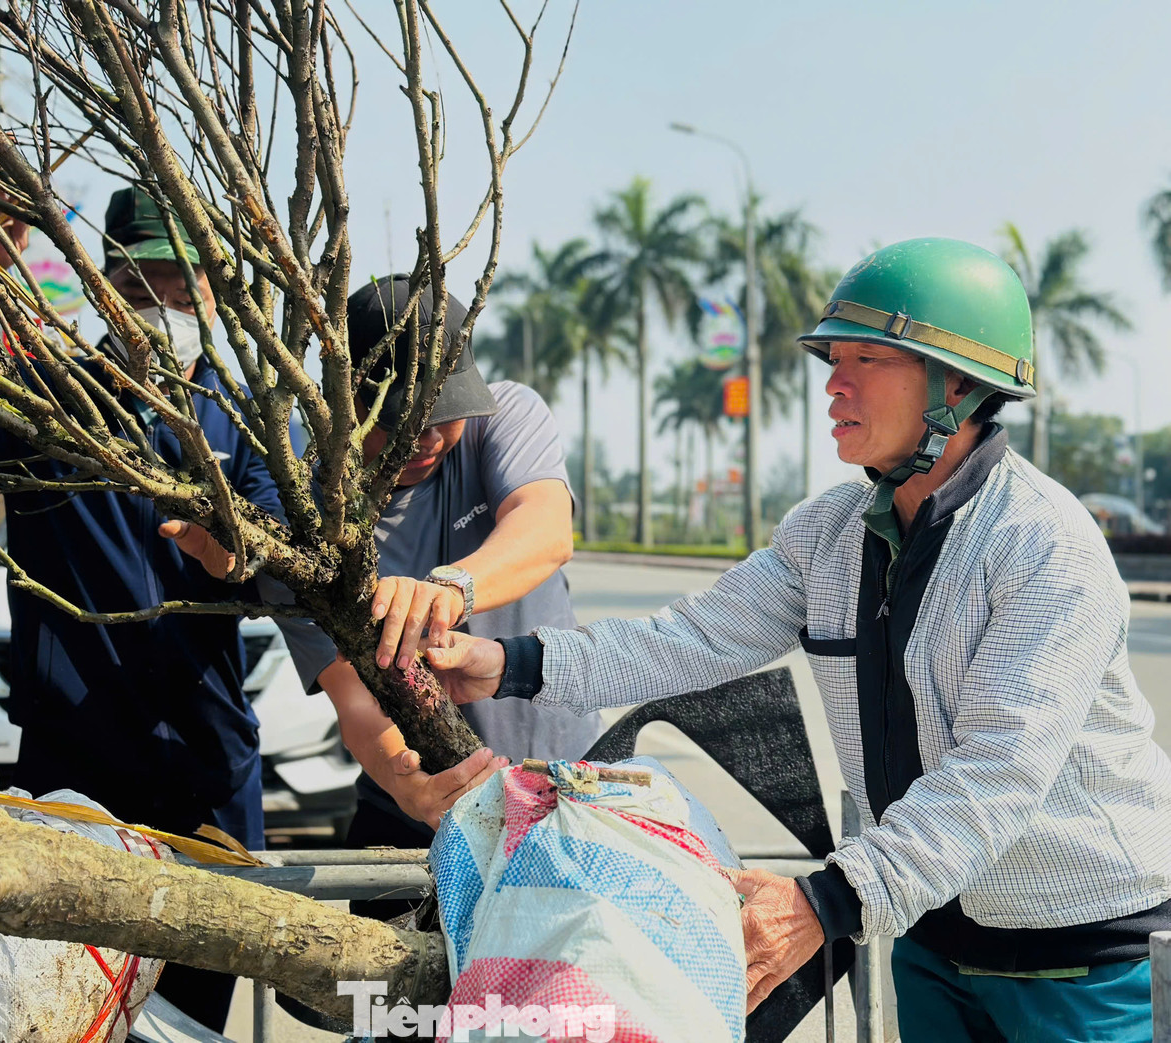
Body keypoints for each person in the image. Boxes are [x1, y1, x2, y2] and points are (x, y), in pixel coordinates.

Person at [420, 239, 1171, 1043]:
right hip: (932, 939)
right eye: (833, 360)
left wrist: (826, 902)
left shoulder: (1043, 543)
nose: (834, 384)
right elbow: (690, 638)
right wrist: (508, 663)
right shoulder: (829, 533)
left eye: (867, 359)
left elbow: (999, 769)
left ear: (956, 384)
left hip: (1078, 956)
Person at [0, 185, 281, 1031]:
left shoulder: (245, 416)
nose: (162, 306)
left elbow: (292, 555)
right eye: (139, 285)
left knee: (191, 1023)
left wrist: (243, 556)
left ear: (212, 294)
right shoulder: (46, 404)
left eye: (183, 286)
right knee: (59, 1013)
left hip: (208, 778)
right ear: (101, 287)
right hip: (74, 780)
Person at [168, 274, 603, 873]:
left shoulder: (504, 418)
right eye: (399, 420)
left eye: (443, 414)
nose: (427, 439)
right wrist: (410, 784)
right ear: (343, 401)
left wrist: (449, 589)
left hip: (572, 784)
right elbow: (353, 695)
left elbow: (546, 530)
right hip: (415, 813)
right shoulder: (301, 526)